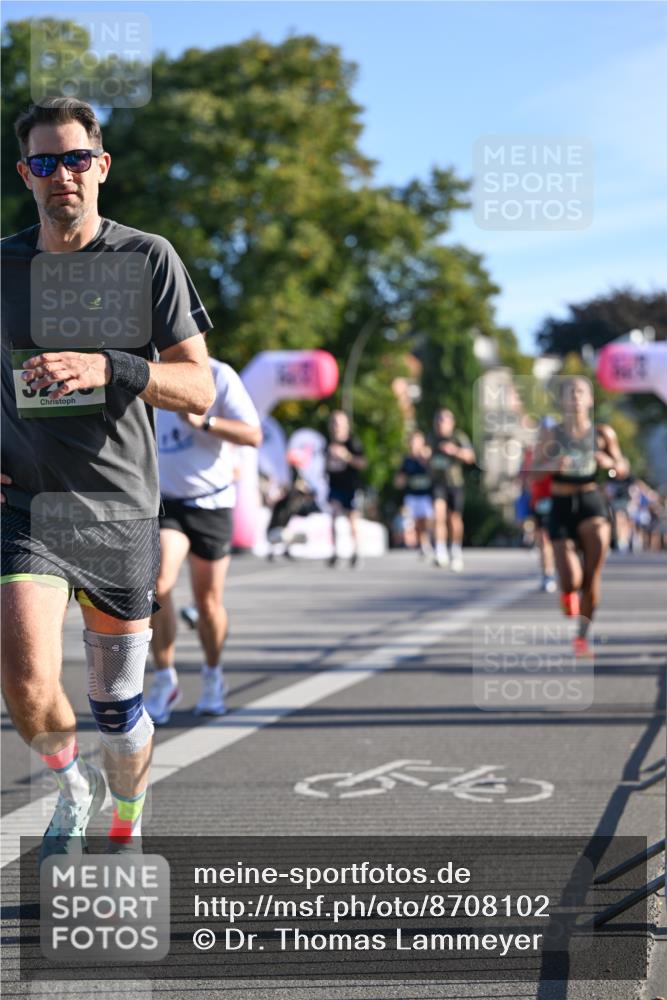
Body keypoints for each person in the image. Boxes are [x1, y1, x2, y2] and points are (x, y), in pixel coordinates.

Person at [0, 99, 215, 858]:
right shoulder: (5, 266)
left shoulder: (145, 259)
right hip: (28, 507)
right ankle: (72, 786)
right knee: (25, 676)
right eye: (45, 162)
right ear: (26, 174)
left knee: (117, 707)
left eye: (76, 159)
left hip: (118, 509)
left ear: (102, 166)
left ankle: (126, 800)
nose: (63, 175)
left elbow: (199, 388)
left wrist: (110, 366)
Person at [146, 360, 261, 723]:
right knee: (158, 582)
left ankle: (213, 675)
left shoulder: (217, 374)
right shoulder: (145, 371)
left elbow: (253, 434)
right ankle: (165, 679)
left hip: (211, 501)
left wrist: (204, 423)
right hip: (167, 503)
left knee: (207, 604)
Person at [532, 376, 627, 657]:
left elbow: (622, 467)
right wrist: (551, 464)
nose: (574, 396)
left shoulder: (602, 433)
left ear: (590, 399)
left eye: (580, 391)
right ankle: (567, 592)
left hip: (590, 500)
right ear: (562, 401)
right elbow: (533, 472)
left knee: (593, 574)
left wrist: (609, 464)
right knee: (572, 579)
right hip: (561, 504)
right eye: (569, 392)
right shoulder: (552, 434)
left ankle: (582, 638)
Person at [429, 408, 476, 571]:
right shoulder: (432, 438)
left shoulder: (458, 437)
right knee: (438, 514)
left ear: (451, 423)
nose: (441, 424)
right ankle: (440, 551)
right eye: (439, 420)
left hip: (454, 483)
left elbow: (471, 457)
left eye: (444, 420)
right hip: (438, 483)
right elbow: (426, 456)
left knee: (454, 519)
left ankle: (456, 550)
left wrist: (454, 451)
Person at [325, 410, 367, 567]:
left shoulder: (353, 443)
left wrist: (346, 456)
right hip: (335, 486)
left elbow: (362, 463)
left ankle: (356, 552)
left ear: (346, 426)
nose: (337, 427)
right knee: (334, 516)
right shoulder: (327, 444)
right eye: (334, 423)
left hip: (351, 487)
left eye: (340, 423)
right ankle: (335, 552)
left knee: (352, 520)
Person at [394, 430, 433, 558]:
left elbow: (435, 473)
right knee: (416, 522)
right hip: (412, 495)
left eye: (416, 441)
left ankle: (429, 542)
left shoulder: (427, 457)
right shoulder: (407, 460)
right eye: (411, 441)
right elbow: (399, 480)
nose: (413, 444)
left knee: (426, 520)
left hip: (426, 495)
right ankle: (423, 545)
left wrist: (425, 460)